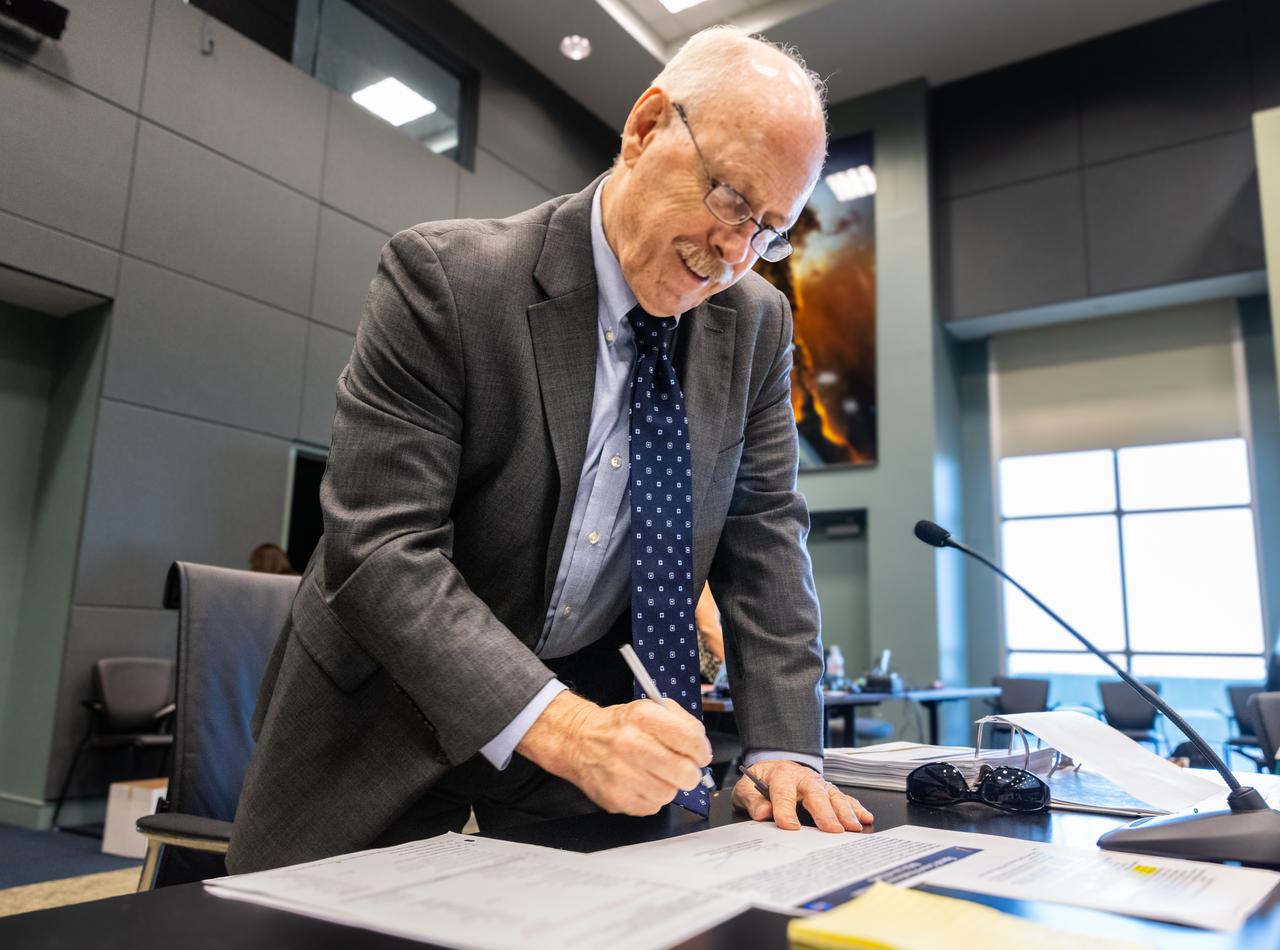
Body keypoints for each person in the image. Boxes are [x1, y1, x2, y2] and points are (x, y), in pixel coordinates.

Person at [228, 26, 871, 874]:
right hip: (380, 712)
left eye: (769, 232)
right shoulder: (447, 281)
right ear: (646, 129)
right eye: (729, 200)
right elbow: (381, 551)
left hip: (588, 723)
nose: (734, 252)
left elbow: (763, 539)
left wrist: (785, 745)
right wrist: (563, 728)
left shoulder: (756, 324)